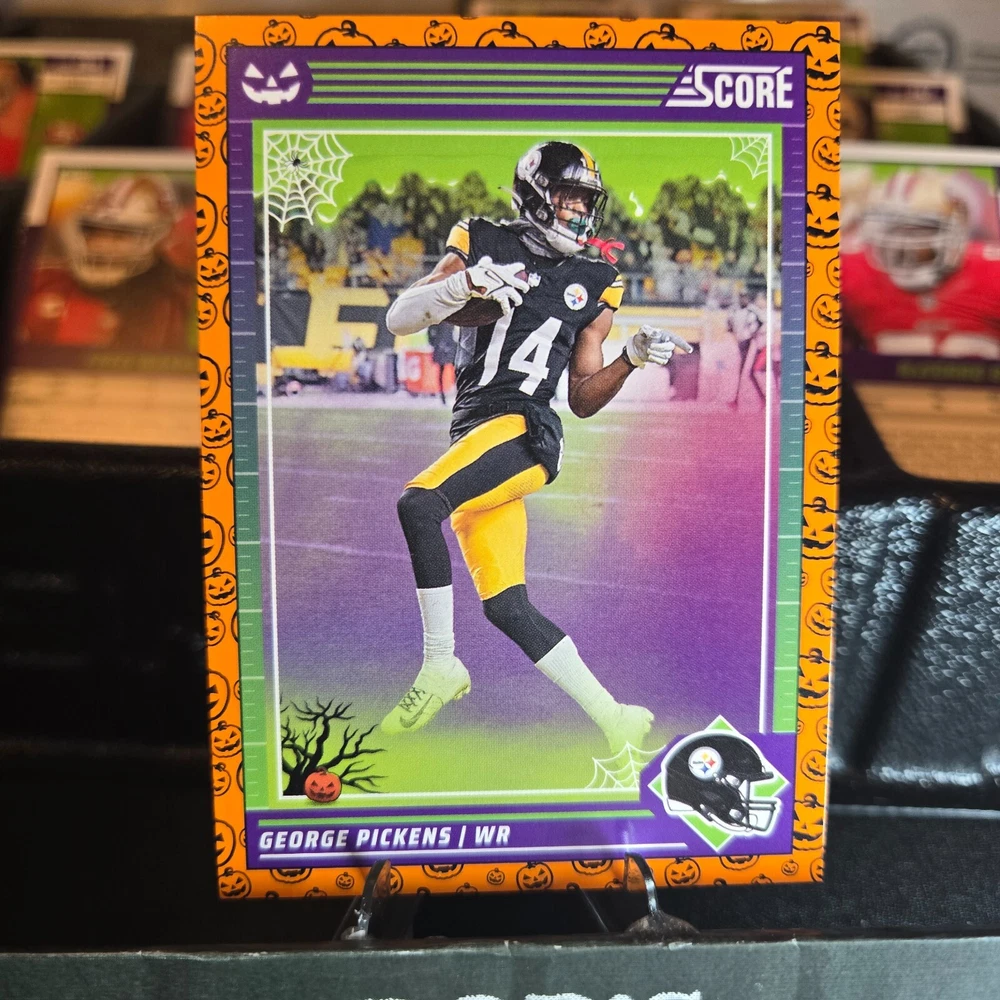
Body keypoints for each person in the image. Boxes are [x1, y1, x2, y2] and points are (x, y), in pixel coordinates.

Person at [381, 141, 691, 752]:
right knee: (507, 607)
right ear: (536, 195)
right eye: (569, 196)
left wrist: (629, 359)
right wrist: (466, 282)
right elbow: (401, 318)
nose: (579, 211)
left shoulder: (597, 280)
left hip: (525, 430)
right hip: (476, 432)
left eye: (586, 201)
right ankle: (616, 718)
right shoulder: (482, 239)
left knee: (419, 505)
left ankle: (440, 664)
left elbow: (583, 397)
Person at [842, 167, 1000, 359]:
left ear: (957, 232)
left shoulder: (993, 273)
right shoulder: (851, 274)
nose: (902, 242)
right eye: (893, 229)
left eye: (919, 230)